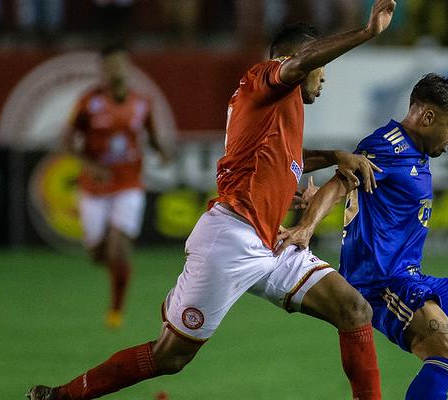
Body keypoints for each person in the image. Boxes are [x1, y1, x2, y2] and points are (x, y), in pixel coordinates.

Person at [27, 1, 396, 399]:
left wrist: (333, 157)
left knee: (354, 310)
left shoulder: (278, 110)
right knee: (168, 357)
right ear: (297, 60)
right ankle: (62, 396)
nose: (325, 79)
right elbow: (299, 63)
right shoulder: (264, 78)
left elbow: (282, 161)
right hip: (232, 240)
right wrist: (366, 33)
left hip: (271, 242)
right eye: (322, 68)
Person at [275, 73, 448, 400]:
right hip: (381, 283)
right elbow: (342, 182)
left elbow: (359, 194)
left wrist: (321, 202)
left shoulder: (415, 152)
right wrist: (306, 226)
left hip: (409, 277)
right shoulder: (388, 146)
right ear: (428, 116)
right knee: (447, 352)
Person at [62, 44, 170, 329]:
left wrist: (162, 151)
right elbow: (66, 142)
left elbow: (151, 134)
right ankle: (109, 261)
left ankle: (115, 311)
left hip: (129, 184)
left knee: (118, 246)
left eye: (119, 64)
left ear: (127, 66)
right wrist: (91, 165)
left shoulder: (141, 102)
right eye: (109, 66)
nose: (115, 70)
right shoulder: (88, 103)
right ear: (102, 71)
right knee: (98, 253)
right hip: (95, 188)